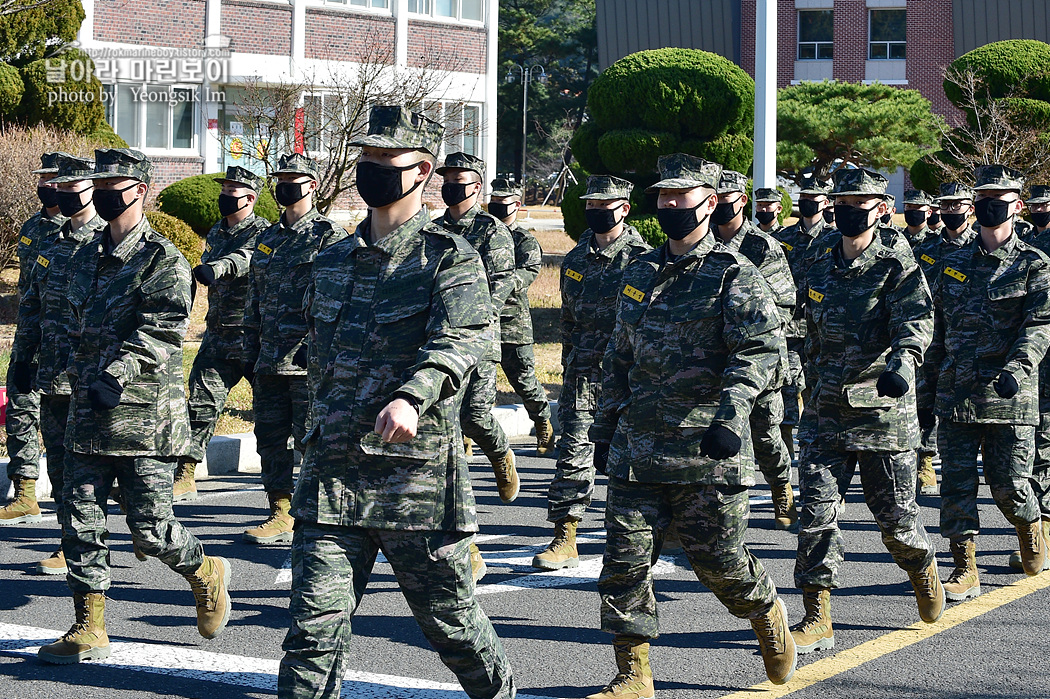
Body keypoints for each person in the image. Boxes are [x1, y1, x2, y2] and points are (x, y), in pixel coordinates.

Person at [277, 105, 514, 699]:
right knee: (311, 634)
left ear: (422, 170)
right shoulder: (330, 259)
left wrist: (413, 394)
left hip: (414, 483)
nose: (372, 171)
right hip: (332, 477)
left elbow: (462, 341)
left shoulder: (449, 258)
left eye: (387, 162)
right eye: (366, 160)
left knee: (453, 627)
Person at [587, 155, 796, 698]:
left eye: (683, 196)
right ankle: (633, 673)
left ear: (710, 202)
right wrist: (604, 424)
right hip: (638, 449)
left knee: (719, 562)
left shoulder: (733, 274)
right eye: (664, 196)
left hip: (707, 447)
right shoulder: (638, 273)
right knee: (622, 564)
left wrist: (731, 414)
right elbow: (619, 355)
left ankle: (764, 609)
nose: (671, 205)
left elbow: (759, 351)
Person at [38, 148, 231, 664]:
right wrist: (49, 378)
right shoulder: (83, 257)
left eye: (113, 184)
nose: (102, 193)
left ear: (140, 190)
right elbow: (64, 325)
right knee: (78, 519)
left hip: (143, 418)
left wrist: (115, 374)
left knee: (151, 529)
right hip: (85, 410)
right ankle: (89, 624)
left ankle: (205, 571)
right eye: (98, 184)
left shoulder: (163, 259)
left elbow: (166, 328)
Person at [791, 167, 943, 657]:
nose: (850, 210)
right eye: (843, 201)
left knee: (896, 522)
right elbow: (797, 317)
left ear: (882, 208)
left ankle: (921, 567)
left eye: (862, 202)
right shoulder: (816, 259)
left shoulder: (897, 264)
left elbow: (916, 321)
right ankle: (817, 616)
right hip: (823, 411)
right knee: (815, 516)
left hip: (882, 413)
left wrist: (903, 364)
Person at [926, 165, 1050, 603]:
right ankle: (965, 567)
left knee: (1009, 485)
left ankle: (1030, 528)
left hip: (1009, 395)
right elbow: (935, 329)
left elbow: (1040, 325)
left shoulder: (1034, 264)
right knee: (956, 484)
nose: (989, 206)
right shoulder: (951, 264)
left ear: (1018, 206)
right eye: (983, 197)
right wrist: (925, 390)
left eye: (1000, 198)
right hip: (956, 392)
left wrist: (1017, 369)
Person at [532, 175, 650, 572]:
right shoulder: (576, 258)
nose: (597, 212)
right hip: (583, 375)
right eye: (591, 205)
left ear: (624, 208)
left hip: (629, 378)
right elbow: (568, 319)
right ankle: (566, 535)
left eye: (605, 205)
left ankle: (648, 532)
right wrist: (569, 363)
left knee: (630, 459)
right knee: (573, 453)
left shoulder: (643, 259)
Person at [242, 153, 347, 544]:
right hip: (268, 357)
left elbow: (336, 299)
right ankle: (280, 511)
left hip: (308, 360)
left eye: (293, 178)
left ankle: (322, 512)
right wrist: (249, 342)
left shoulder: (330, 238)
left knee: (313, 439)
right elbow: (255, 294)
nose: (285, 184)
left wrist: (318, 346)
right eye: (280, 178)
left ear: (312, 185)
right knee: (269, 437)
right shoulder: (267, 238)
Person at [9, 153, 105, 575]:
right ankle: (73, 543)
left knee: (94, 470)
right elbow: (32, 301)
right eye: (56, 186)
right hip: (51, 370)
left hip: (90, 373)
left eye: (68, 186)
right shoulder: (50, 238)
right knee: (63, 461)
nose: (59, 193)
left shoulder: (109, 239)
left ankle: (135, 533)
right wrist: (24, 357)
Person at [174, 166, 271, 502]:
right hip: (218, 334)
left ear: (250, 197)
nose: (225, 195)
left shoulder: (264, 232)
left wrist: (216, 269)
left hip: (253, 337)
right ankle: (185, 474)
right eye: (224, 188)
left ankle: (281, 494)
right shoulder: (217, 230)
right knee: (200, 406)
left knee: (271, 418)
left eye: (233, 190)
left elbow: (244, 259)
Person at [714, 170, 797, 529]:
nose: (719, 206)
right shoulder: (701, 243)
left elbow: (785, 303)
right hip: (712, 359)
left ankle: (781, 485)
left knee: (764, 435)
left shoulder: (762, 247)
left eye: (726, 198)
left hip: (757, 359)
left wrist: (743, 323)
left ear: (741, 201)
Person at [0, 152, 67, 526]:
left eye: (53, 179)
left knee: (60, 430)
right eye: (42, 179)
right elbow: (28, 287)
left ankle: (69, 518)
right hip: (31, 335)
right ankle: (25, 492)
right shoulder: (31, 227)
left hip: (67, 343)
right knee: (20, 412)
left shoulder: (86, 232)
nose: (45, 186)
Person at [913, 183, 978, 498]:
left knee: (958, 407)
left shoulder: (980, 249)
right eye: (946, 206)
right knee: (922, 401)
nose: (951, 211)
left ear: (970, 208)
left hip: (963, 339)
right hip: (928, 338)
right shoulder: (925, 250)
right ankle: (924, 461)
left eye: (958, 205)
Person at [488, 176, 555, 456]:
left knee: (524, 382)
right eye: (493, 203)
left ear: (516, 205)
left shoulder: (523, 240)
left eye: (502, 204)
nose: (496, 208)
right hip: (483, 322)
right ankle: (469, 437)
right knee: (476, 384)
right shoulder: (481, 235)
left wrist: (497, 284)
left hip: (513, 324)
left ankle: (542, 422)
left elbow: (527, 273)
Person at [773, 173, 833, 464]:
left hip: (822, 330)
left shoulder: (835, 239)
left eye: (813, 198)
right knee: (785, 388)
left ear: (825, 202)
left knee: (818, 391)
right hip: (789, 328)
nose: (807, 203)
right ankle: (784, 455)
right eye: (803, 198)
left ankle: (819, 452)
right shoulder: (782, 239)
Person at [1018, 183, 1050, 571]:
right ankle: (1036, 527)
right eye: (1037, 206)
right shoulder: (1027, 242)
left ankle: (1044, 525)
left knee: (1045, 441)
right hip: (1024, 357)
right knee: (1035, 443)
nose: (1041, 211)